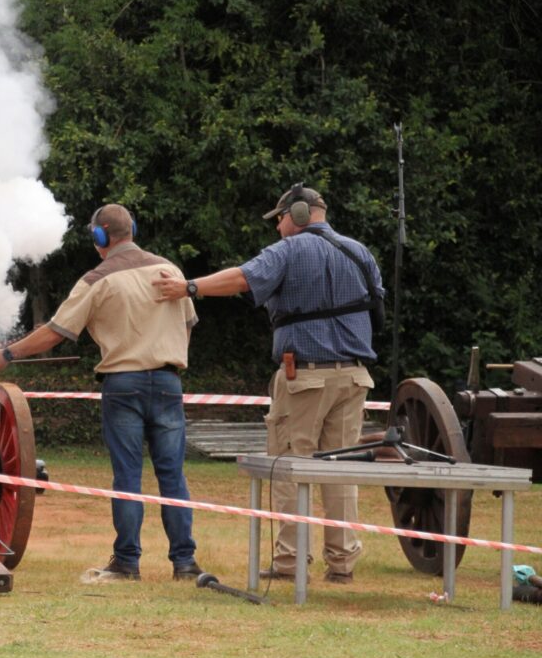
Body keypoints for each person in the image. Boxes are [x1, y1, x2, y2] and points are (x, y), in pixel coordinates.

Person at [152, 183, 384, 584]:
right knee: (341, 471)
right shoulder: (360, 252)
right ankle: (342, 564)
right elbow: (376, 306)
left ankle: (291, 564)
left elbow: (243, 279)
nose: (277, 229)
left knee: (289, 467)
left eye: (278, 220)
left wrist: (189, 287)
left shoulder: (290, 250)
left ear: (296, 213)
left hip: (305, 378)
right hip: (355, 375)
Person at [0, 204, 203, 582]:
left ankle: (128, 562)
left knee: (128, 477)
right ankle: (184, 564)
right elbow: (188, 325)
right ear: (131, 228)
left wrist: (5, 355)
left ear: (100, 236)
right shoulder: (171, 270)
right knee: (173, 476)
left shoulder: (97, 279)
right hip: (168, 382)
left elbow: (54, 332)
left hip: (124, 384)